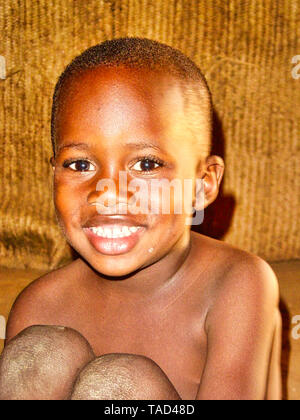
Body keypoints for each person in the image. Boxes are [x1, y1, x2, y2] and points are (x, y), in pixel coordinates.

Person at [0, 38, 281, 400]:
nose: (108, 193)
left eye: (146, 164)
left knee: (119, 384)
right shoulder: (40, 306)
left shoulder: (236, 283)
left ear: (203, 184)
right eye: (80, 164)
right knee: (38, 353)